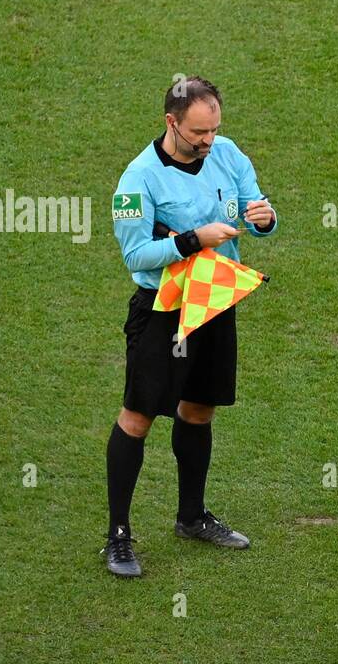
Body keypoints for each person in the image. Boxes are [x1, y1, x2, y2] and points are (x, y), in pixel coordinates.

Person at [103, 76, 278, 578]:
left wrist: (264, 218)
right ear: (171, 123)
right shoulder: (137, 181)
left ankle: (192, 516)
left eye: (215, 128)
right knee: (138, 415)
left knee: (199, 409)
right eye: (199, 132)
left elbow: (257, 208)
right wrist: (193, 239)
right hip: (163, 309)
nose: (208, 141)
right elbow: (136, 254)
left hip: (216, 298)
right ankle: (118, 537)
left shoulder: (226, 152)